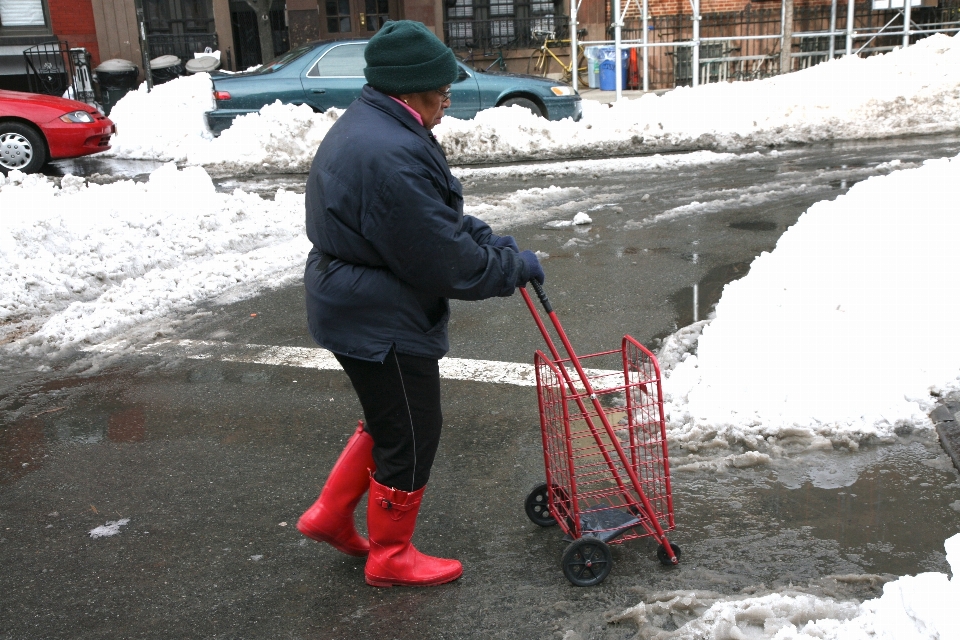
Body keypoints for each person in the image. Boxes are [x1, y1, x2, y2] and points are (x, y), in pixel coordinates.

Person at [296, 20, 545, 588]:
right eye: (441, 89)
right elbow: (443, 261)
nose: (448, 99)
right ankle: (391, 554)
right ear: (408, 91)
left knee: (389, 419)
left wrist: (488, 239)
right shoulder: (391, 153)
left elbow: (430, 220)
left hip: (354, 298)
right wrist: (508, 267)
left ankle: (331, 514)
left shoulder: (375, 124)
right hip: (380, 314)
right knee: (410, 430)